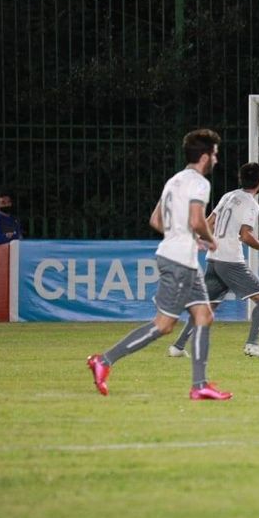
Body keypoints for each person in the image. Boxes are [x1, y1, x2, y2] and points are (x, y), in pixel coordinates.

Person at [86, 129, 231, 400]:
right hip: (178, 261)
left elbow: (155, 220)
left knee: (204, 315)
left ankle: (200, 386)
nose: (216, 159)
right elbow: (199, 220)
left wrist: (183, 236)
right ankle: (103, 361)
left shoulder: (174, 180)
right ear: (204, 157)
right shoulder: (199, 183)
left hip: (180, 257)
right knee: (164, 325)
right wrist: (209, 240)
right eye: (214, 154)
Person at [167, 162, 259, 360]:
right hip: (230, 261)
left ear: (241, 179)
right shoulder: (251, 204)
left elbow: (209, 222)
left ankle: (178, 347)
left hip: (214, 258)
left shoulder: (228, 196)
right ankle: (253, 344)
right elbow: (245, 236)